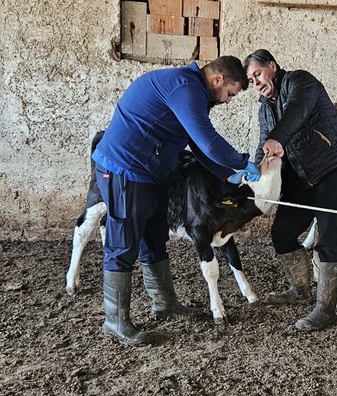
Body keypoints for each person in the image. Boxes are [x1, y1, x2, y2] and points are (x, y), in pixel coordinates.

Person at [92, 56, 261, 346]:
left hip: (150, 172)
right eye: (231, 94)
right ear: (217, 80)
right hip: (125, 169)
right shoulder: (184, 87)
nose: (229, 101)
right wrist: (240, 161)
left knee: (154, 236)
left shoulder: (192, 92)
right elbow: (206, 140)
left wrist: (227, 174)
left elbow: (196, 144)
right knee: (123, 242)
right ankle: (115, 320)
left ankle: (164, 303)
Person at [243, 49, 337, 332]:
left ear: (272, 66)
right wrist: (252, 172)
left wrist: (277, 138)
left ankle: (325, 309)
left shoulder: (300, 82)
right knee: (281, 233)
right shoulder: (264, 108)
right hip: (302, 175)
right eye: (250, 79)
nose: (255, 82)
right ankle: (300, 288)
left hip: (333, 167)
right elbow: (263, 143)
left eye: (257, 74)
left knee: (329, 237)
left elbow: (298, 111)